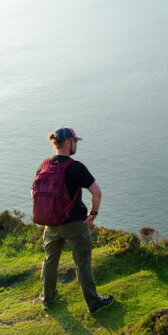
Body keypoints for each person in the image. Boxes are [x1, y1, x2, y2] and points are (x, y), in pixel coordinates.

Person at [37, 126, 114, 314]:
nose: (76, 145)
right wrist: (93, 214)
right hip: (74, 224)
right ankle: (93, 303)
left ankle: (48, 298)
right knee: (83, 262)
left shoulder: (44, 165)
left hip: (51, 223)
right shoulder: (76, 167)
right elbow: (97, 192)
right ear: (68, 143)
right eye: (75, 141)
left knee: (50, 261)